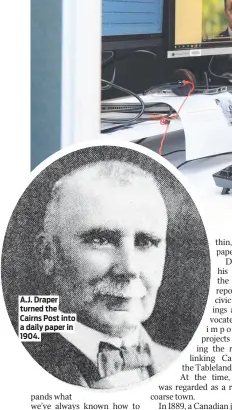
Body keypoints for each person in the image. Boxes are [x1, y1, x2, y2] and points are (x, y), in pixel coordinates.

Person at [30, 161, 179, 389]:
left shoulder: (182, 363)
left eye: (146, 242)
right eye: (101, 240)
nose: (129, 268)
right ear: (48, 254)